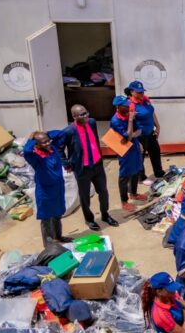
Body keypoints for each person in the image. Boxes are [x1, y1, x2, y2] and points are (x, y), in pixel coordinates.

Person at [60, 104, 117, 232]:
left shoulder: (91, 122)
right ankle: (89, 219)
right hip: (82, 169)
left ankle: (105, 214)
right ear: (74, 117)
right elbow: (58, 148)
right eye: (82, 114)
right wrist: (66, 163)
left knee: (103, 192)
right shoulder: (68, 131)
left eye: (86, 113)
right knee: (84, 196)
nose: (86, 116)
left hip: (97, 165)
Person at [23, 130, 67, 247]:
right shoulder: (35, 157)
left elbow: (61, 134)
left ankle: (58, 237)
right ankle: (48, 244)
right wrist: (32, 139)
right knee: (46, 218)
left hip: (58, 189)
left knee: (57, 215)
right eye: (44, 143)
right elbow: (26, 150)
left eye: (48, 141)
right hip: (45, 191)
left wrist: (46, 133)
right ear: (36, 144)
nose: (48, 144)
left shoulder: (53, 149)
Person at [110, 96, 145, 212]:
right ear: (118, 107)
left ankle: (133, 193)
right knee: (125, 175)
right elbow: (126, 137)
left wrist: (136, 140)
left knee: (136, 170)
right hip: (124, 150)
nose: (129, 106)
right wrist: (130, 120)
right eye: (126, 105)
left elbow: (138, 131)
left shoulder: (129, 114)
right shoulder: (115, 121)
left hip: (134, 146)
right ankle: (124, 201)